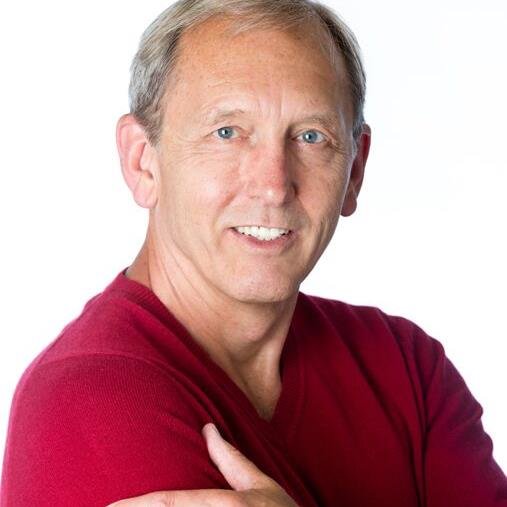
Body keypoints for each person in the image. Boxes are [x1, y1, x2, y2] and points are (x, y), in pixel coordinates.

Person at [1, 0, 506, 505]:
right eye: (227, 133)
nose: (273, 185)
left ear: (354, 171)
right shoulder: (92, 396)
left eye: (312, 137)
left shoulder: (405, 369)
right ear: (143, 162)